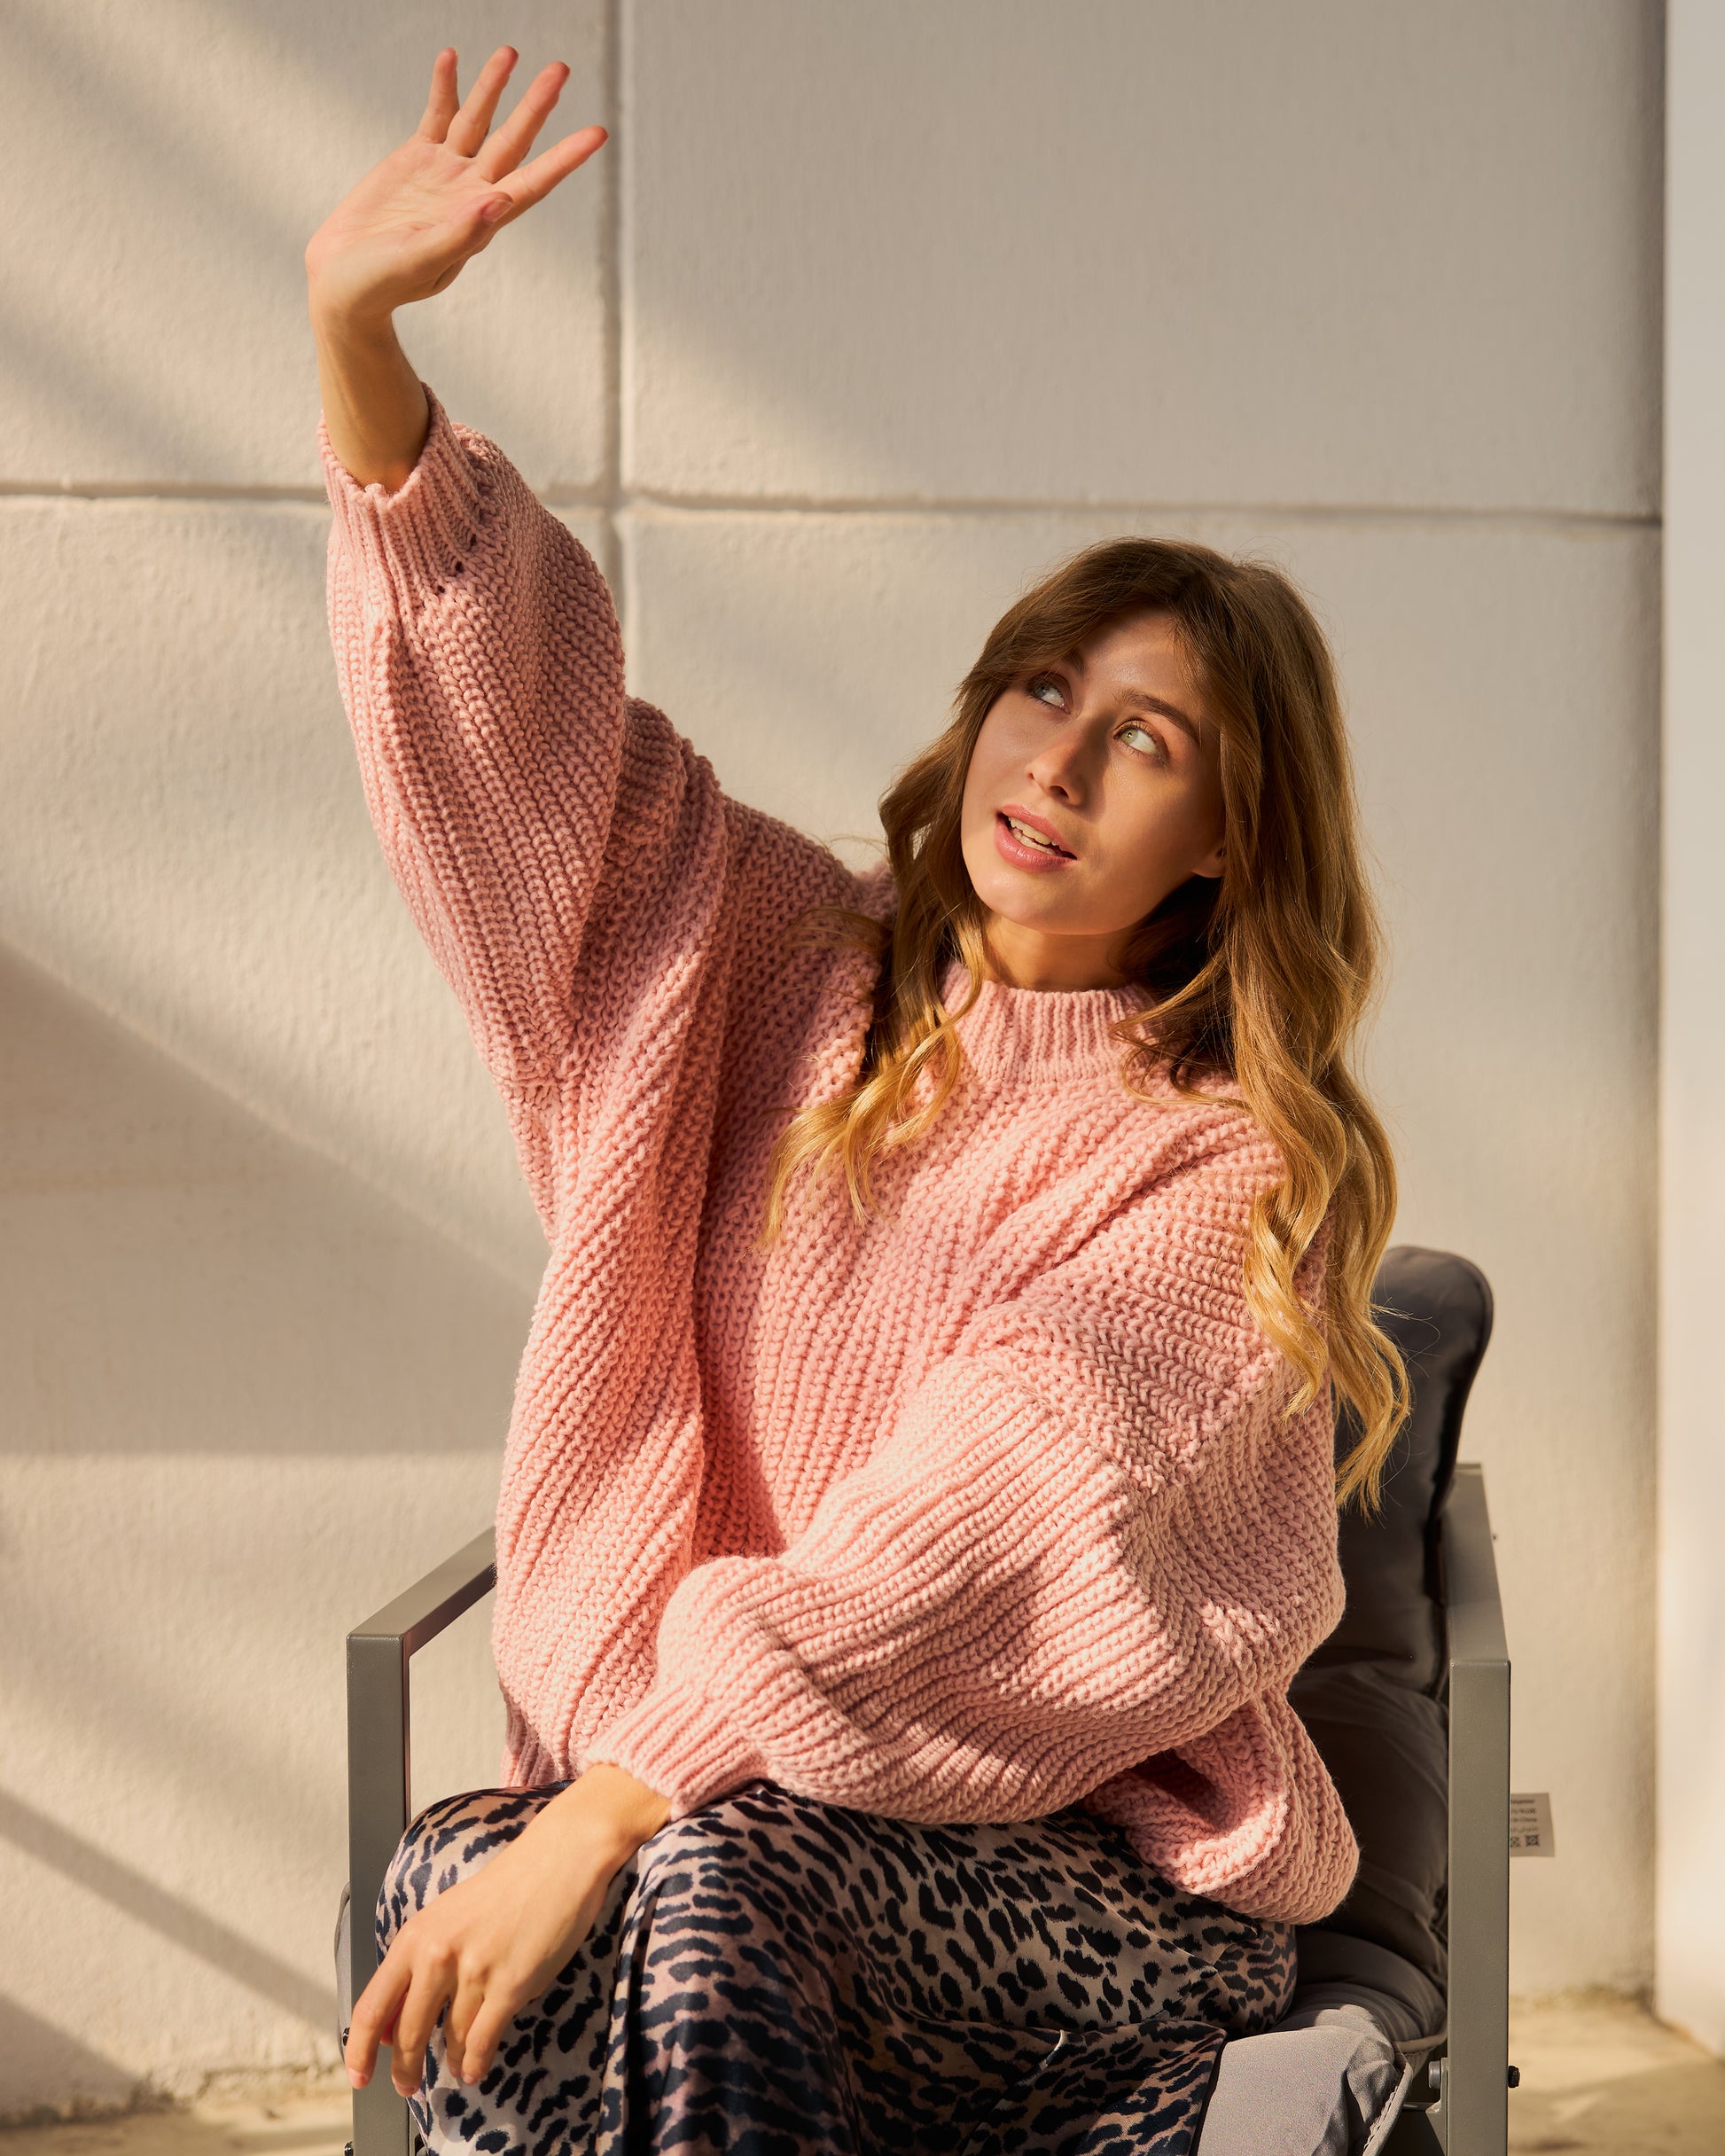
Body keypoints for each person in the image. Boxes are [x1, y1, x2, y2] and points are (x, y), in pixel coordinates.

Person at [308, 43, 1406, 2156]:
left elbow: (981, 1522)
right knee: (460, 1872)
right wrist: (365, 367)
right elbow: (532, 781)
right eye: (1043, 686)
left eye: (1146, 739)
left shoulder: (1214, 1169)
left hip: (1094, 1884)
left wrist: (619, 1793)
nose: (1056, 760)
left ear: (1229, 841)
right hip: (717, 1795)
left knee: (694, 1884)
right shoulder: (771, 958)